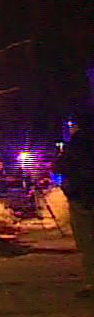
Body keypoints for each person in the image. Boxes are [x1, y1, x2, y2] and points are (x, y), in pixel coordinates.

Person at [51, 115, 94, 297]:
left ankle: (92, 282)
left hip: (83, 199)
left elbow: (60, 166)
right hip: (83, 196)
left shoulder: (77, 145)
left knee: (88, 242)